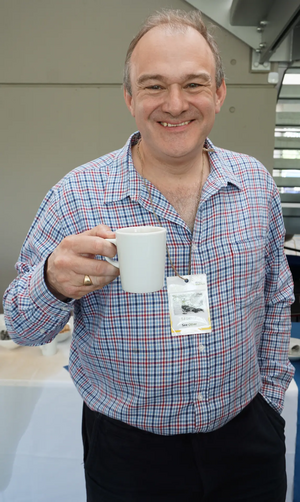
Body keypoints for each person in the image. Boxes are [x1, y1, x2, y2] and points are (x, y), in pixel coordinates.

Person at [3, 9, 294, 502]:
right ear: (130, 97)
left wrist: (268, 401)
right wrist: (51, 280)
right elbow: (21, 324)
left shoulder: (256, 185)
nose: (175, 104)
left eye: (194, 84)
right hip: (127, 454)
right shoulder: (77, 195)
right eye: (155, 86)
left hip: (247, 440)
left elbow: (276, 298)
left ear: (220, 93)